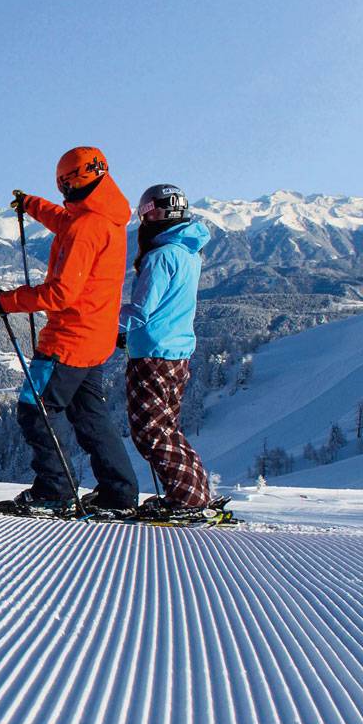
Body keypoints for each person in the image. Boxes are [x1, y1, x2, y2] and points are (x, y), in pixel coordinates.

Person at [0, 146, 138, 518]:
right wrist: (32, 205)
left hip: (68, 339)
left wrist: (8, 301)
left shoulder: (87, 227)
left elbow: (61, 293)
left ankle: (55, 489)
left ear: (71, 181)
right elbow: (65, 222)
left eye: (63, 185)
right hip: (96, 338)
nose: (62, 192)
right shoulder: (104, 215)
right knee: (90, 415)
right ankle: (120, 492)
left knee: (35, 408)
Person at [118, 183, 218, 518]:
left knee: (149, 430)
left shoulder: (161, 256)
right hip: (175, 350)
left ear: (154, 215)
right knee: (165, 426)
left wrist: (102, 321)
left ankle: (186, 498)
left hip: (153, 353)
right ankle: (194, 490)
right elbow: (167, 306)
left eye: (145, 215)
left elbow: (142, 309)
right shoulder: (188, 252)